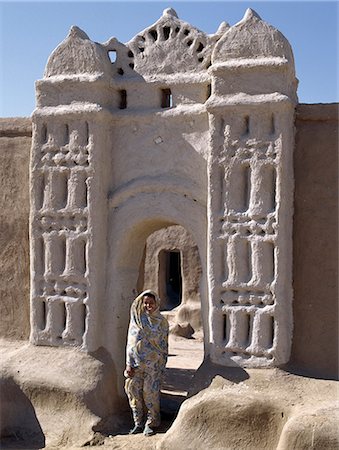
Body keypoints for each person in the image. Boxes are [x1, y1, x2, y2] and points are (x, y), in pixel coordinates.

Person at [124, 289, 169, 436]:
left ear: (156, 303)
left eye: (151, 303)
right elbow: (130, 343)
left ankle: (151, 422)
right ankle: (138, 422)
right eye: (146, 303)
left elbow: (163, 345)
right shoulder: (137, 320)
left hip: (153, 366)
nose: (148, 306)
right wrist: (128, 364)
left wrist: (161, 364)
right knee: (134, 392)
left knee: (150, 394)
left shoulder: (162, 323)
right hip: (136, 364)